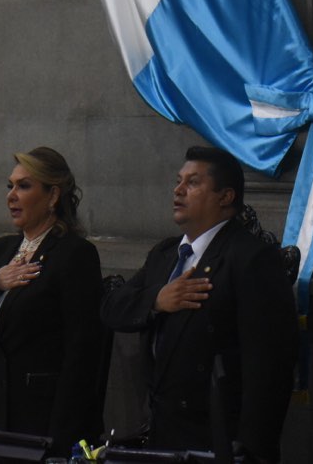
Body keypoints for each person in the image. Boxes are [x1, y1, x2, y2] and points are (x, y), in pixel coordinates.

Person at [101, 146, 299, 463]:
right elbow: (112, 308)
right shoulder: (164, 255)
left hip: (216, 439)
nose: (178, 190)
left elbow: (270, 366)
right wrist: (156, 300)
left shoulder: (251, 258)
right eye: (178, 181)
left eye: (192, 183)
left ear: (225, 196)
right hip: (160, 431)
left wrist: (250, 449)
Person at [0, 147, 105, 456]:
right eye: (10, 186)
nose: (11, 195)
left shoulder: (74, 254)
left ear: (53, 195)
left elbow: (82, 352)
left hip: (43, 418)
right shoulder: (1, 250)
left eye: (24, 186)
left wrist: (61, 438)